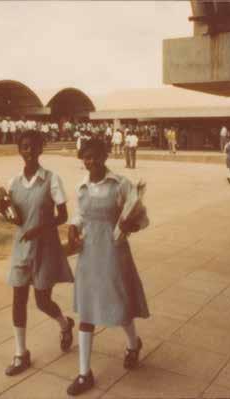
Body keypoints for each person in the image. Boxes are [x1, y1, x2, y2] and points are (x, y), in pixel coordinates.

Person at [66, 137, 150, 396]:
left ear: (104, 156)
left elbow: (142, 218)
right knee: (87, 310)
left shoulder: (120, 184)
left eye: (94, 156)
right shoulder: (82, 186)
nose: (89, 161)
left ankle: (133, 344)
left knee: (120, 304)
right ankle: (84, 374)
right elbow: (79, 214)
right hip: (89, 254)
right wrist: (72, 228)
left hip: (115, 252)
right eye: (85, 157)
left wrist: (129, 226)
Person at [0, 133, 75, 378]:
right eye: (24, 147)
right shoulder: (14, 182)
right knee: (18, 299)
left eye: (32, 147)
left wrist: (40, 228)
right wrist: (2, 209)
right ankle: (21, 353)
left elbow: (63, 216)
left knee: (42, 301)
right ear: (19, 149)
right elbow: (13, 216)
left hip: (45, 247)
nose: (28, 151)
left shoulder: (51, 179)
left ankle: (64, 323)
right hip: (22, 248)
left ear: (41, 149)